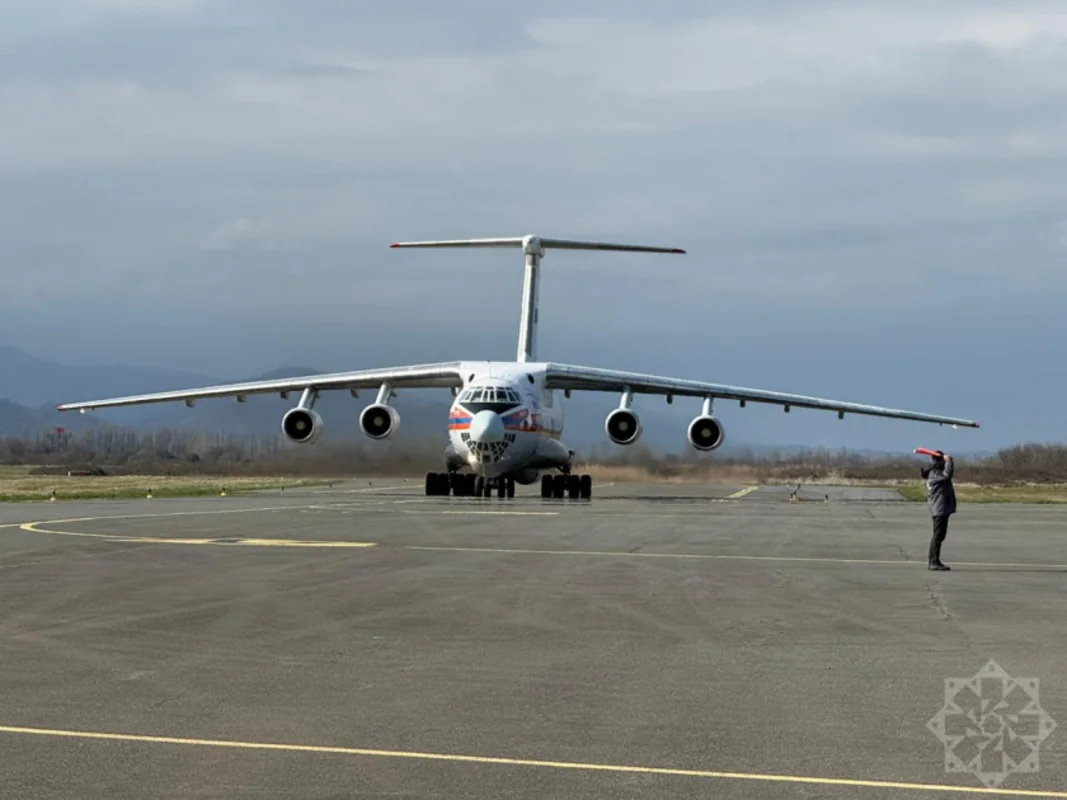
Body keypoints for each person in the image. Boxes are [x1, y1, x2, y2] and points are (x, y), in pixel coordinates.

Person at [921, 451, 956, 571]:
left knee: (940, 535)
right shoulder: (935, 473)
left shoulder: (934, 471)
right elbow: (947, 475)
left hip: (941, 507)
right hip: (939, 508)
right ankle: (933, 561)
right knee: (938, 535)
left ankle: (935, 560)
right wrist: (949, 462)